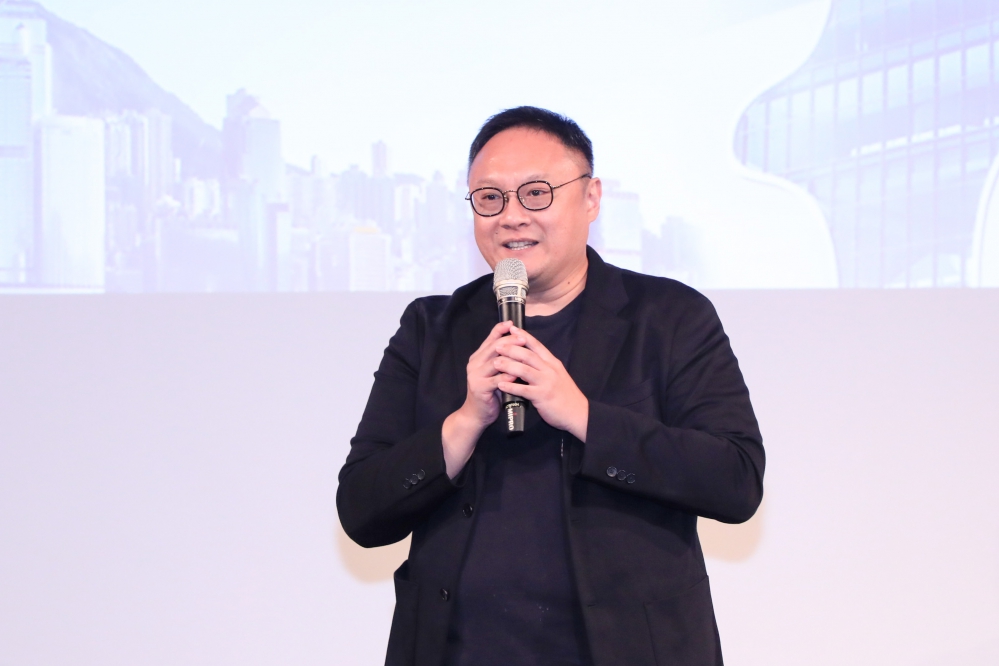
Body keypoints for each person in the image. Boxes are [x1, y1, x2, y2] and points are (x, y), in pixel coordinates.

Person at [337, 106, 764, 666]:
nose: (512, 217)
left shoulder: (668, 317)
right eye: (490, 198)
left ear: (591, 198)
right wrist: (463, 422)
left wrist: (583, 416)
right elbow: (361, 510)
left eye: (536, 194)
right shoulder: (431, 328)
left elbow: (735, 481)